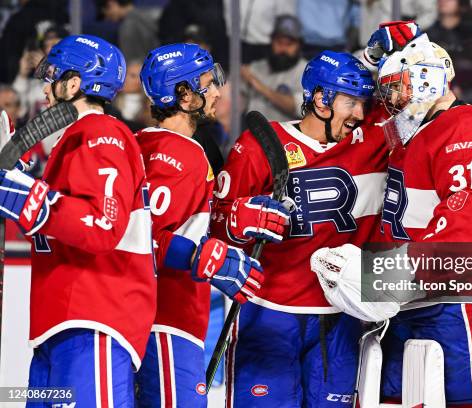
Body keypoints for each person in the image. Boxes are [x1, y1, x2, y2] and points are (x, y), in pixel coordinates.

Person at [211, 50, 388, 407]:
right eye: (351, 102)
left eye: (362, 104)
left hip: (341, 316)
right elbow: (217, 226)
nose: (359, 114)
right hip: (269, 313)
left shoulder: (375, 141)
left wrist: (375, 55)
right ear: (321, 98)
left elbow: (409, 106)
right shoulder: (260, 146)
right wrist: (239, 220)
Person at [0, 34, 156, 406]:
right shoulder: (73, 141)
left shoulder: (103, 133)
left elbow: (102, 224)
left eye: (52, 76)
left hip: (93, 324)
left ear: (73, 84)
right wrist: (20, 181)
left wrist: (22, 194)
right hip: (60, 327)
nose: (45, 85)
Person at [369, 22, 472, 406]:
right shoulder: (416, 134)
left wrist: (379, 274)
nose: (393, 100)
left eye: (398, 86)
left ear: (425, 79)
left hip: (458, 296)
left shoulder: (465, 127)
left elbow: (465, 234)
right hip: (412, 298)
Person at [135, 43, 276, 408]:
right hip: (165, 321)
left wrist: (233, 218)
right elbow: (144, 240)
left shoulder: (143, 145)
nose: (216, 91)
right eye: (207, 83)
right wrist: (203, 256)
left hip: (149, 320)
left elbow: (182, 225)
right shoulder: (180, 152)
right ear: (183, 94)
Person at [241, 14, 308, 122]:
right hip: (251, 134)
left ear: (299, 46)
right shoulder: (257, 67)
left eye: (289, 44)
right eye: (279, 42)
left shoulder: (307, 71)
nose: (283, 48)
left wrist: (257, 84)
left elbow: (299, 108)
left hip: (286, 136)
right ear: (271, 42)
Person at [96, 0, 160, 62]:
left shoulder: (127, 27)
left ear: (111, 3)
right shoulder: (156, 13)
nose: (107, 19)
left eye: (105, 14)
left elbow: (132, 65)